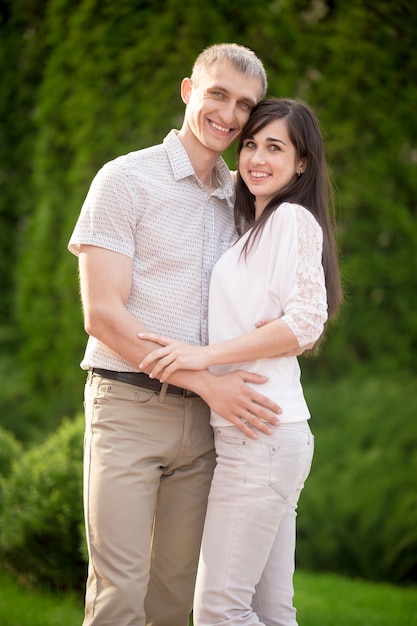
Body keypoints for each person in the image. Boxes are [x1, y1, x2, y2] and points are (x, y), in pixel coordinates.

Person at [68, 44, 284, 626]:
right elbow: (104, 316)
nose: (230, 114)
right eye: (218, 93)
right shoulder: (124, 179)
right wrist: (210, 384)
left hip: (210, 425)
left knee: (176, 597)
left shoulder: (246, 199)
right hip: (127, 406)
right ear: (189, 90)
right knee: (119, 596)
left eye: (245, 105)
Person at [138, 98, 342, 626]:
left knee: (218, 612)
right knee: (271, 611)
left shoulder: (290, 220)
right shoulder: (256, 227)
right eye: (251, 143)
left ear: (302, 164)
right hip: (263, 435)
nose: (255, 157)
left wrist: (202, 357)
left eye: (275, 147)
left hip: (261, 437)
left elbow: (305, 323)